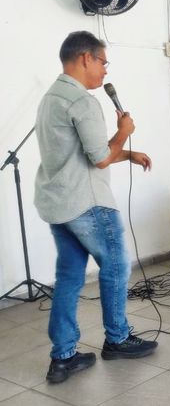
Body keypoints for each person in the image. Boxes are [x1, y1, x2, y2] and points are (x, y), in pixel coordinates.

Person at [34, 31, 156, 384]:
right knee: (116, 267)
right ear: (85, 57)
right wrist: (124, 131)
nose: (105, 71)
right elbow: (100, 158)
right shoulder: (83, 102)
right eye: (103, 62)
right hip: (88, 204)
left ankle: (63, 357)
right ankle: (117, 339)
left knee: (69, 279)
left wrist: (129, 153)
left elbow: (80, 157)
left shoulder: (50, 98)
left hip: (59, 204)